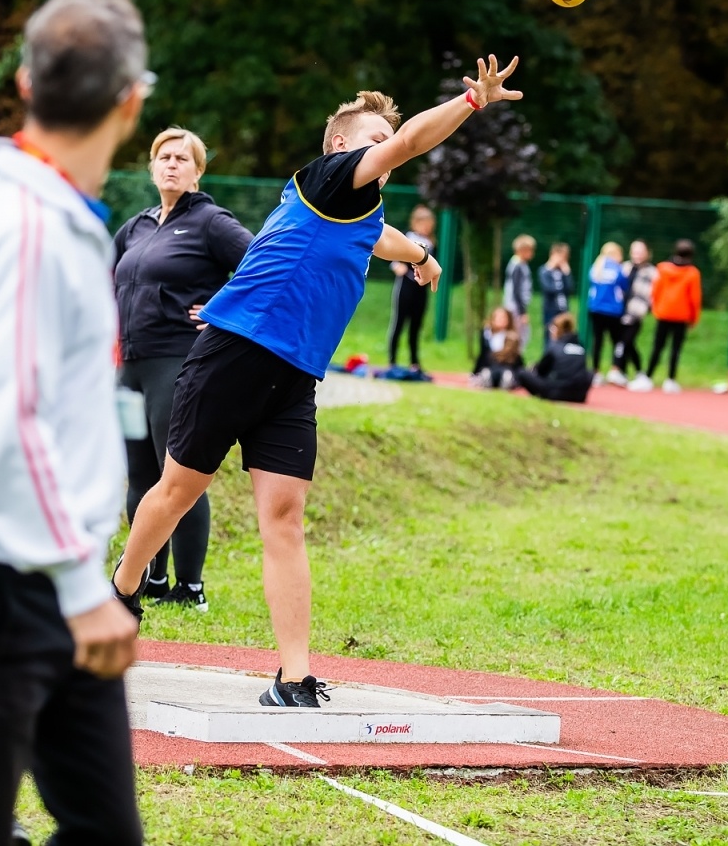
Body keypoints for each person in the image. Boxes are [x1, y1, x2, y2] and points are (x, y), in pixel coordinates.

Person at [114, 55, 522, 708]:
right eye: (373, 141)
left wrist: (420, 255)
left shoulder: (355, 210)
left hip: (295, 377)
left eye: (383, 143)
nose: (386, 149)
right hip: (235, 352)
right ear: (339, 146)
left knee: (285, 518)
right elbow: (415, 140)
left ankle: (293, 675)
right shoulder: (328, 176)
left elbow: (378, 236)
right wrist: (472, 102)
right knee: (176, 491)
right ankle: (125, 588)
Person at [0, 0, 149, 846]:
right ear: (132, 99)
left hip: (49, 575)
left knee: (103, 831)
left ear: (23, 83)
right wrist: (86, 591)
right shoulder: (28, 228)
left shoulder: (54, 217)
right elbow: (5, 424)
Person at [113, 127, 253, 612]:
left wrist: (223, 308)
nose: (171, 164)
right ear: (152, 168)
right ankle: (151, 577)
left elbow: (261, 265)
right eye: (164, 157)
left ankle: (189, 586)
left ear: (198, 171)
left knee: (178, 476)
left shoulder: (212, 222)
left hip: (178, 364)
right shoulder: (136, 227)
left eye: (182, 158)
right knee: (139, 477)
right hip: (129, 369)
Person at [630, 239, 702, 394]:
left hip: (663, 313)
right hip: (681, 316)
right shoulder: (692, 273)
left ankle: (648, 377)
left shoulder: (662, 268)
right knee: (675, 349)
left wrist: (656, 308)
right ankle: (670, 380)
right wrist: (694, 318)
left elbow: (655, 290)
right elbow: (695, 298)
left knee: (657, 347)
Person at [388, 204, 436, 369]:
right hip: (406, 287)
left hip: (421, 290)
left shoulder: (430, 243)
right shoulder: (407, 238)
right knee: (399, 323)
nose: (427, 227)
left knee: (416, 326)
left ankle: (414, 362)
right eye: (424, 223)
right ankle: (392, 360)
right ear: (415, 223)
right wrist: (396, 266)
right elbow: (393, 255)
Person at [518, 312, 595, 403]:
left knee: (522, 373)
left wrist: (533, 368)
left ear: (556, 330)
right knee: (589, 372)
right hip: (579, 395)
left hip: (556, 393)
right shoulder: (581, 348)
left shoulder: (555, 347)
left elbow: (541, 371)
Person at [613, 239, 657, 387]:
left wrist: (645, 308)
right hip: (619, 311)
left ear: (647, 253)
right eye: (635, 251)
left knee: (626, 341)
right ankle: (624, 372)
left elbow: (651, 294)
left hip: (635, 313)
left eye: (640, 251)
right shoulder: (624, 267)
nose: (637, 255)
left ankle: (634, 371)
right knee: (624, 343)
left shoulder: (652, 272)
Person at [585, 242, 626, 384]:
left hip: (595, 309)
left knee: (597, 341)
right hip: (613, 311)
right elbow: (624, 286)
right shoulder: (617, 268)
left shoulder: (596, 267)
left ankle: (595, 371)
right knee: (617, 340)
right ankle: (615, 369)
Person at [469, 306, 523, 389]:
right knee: (489, 371)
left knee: (506, 373)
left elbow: (517, 358)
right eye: (498, 318)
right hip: (490, 366)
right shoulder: (487, 335)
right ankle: (486, 378)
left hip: (506, 366)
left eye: (503, 318)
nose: (501, 320)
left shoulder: (512, 337)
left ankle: (507, 380)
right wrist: (475, 372)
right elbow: (482, 355)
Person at [503, 233, 536, 350]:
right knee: (520, 336)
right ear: (522, 250)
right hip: (515, 308)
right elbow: (516, 290)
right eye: (530, 250)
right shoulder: (517, 266)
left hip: (516, 307)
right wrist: (522, 312)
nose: (532, 253)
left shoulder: (520, 264)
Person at [538, 241, 573, 330]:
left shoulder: (563, 273)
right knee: (550, 334)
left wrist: (567, 273)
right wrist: (550, 267)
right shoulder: (544, 270)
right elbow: (548, 288)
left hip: (563, 308)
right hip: (550, 309)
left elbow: (570, 288)